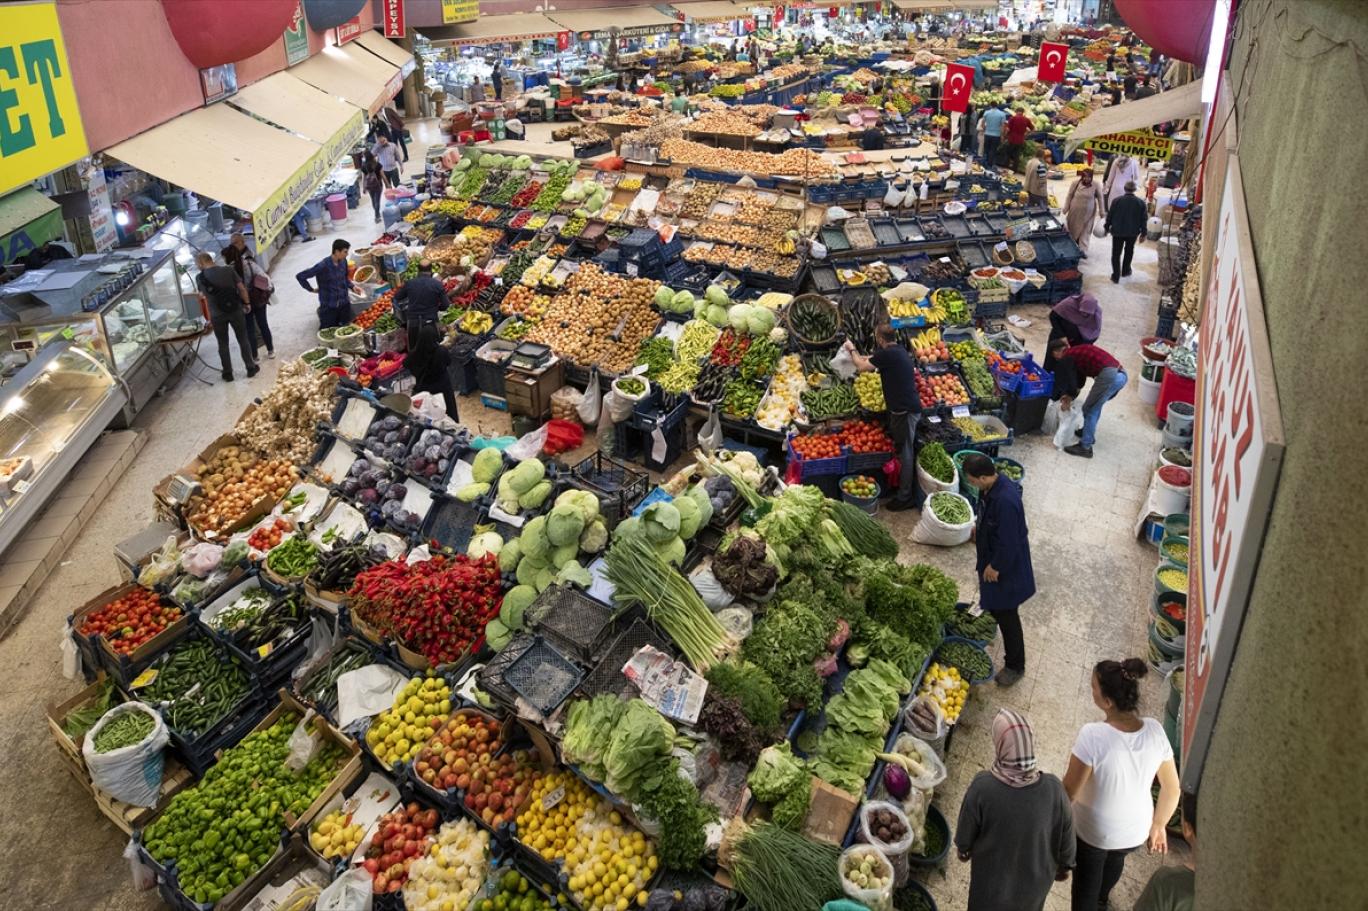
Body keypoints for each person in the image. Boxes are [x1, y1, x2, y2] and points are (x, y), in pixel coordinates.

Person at [1064, 658, 1181, 911]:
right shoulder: (1155, 730)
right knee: (1115, 860)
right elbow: (1172, 789)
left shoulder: (1092, 736)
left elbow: (1069, 792)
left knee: (1086, 880)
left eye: (1093, 686)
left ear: (1107, 702)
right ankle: (1102, 899)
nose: (1091, 689)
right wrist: (1159, 824)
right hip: (1135, 832)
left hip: (1094, 833)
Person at [956, 709, 1075, 911]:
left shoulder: (984, 787)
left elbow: (965, 835)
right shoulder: (1054, 788)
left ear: (1000, 745)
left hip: (991, 889)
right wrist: (1065, 865)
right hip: (1034, 889)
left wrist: (964, 849)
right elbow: (1067, 836)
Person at [961, 454, 1034, 685]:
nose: (971, 484)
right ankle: (992, 616)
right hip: (993, 558)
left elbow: (1010, 542)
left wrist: (996, 566)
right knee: (996, 603)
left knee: (1008, 613)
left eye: (973, 480)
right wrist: (977, 528)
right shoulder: (989, 489)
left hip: (1007, 567)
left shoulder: (1006, 501)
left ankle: (1015, 665)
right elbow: (987, 516)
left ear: (983, 477)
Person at [845, 325, 922, 511]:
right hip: (906, 407)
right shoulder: (898, 351)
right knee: (903, 449)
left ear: (880, 339)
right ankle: (901, 488)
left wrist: (851, 349)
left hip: (904, 411)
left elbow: (863, 367)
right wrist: (858, 356)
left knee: (905, 452)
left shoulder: (888, 354)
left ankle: (905, 497)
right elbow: (870, 360)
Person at [1049, 338, 1127, 458]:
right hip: (1119, 374)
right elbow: (1079, 379)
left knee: (1090, 409)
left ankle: (1085, 447)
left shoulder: (1067, 356)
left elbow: (1071, 380)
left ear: (1058, 351)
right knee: (1095, 406)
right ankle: (1088, 434)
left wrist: (1068, 397)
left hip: (1110, 376)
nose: (1057, 360)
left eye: (1055, 356)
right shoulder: (1076, 352)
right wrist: (1072, 393)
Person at [194, 252, 258, 382]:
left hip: (217, 315)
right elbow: (242, 288)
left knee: (222, 343)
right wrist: (247, 303)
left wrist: (207, 318)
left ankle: (228, 373)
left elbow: (202, 296)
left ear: (201, 263)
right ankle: (250, 368)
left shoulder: (200, 278)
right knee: (243, 339)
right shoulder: (228, 270)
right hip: (235, 310)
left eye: (197, 264)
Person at [1134, 790, 1196, 911]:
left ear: (1187, 827)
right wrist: (1158, 824)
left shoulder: (1168, 883)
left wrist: (1158, 824)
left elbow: (1173, 790)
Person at [222, 233, 275, 360]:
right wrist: (269, 290)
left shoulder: (229, 271)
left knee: (249, 329)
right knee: (263, 324)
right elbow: (265, 278)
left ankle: (255, 356)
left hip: (244, 303)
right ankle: (271, 351)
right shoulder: (249, 263)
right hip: (258, 299)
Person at [296, 239, 359, 330]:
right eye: (345, 252)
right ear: (337, 251)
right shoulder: (323, 265)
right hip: (329, 306)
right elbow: (301, 276)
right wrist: (311, 289)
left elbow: (345, 278)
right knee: (327, 330)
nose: (347, 254)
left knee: (345, 328)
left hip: (344, 303)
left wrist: (353, 287)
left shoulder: (343, 262)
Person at [406, 323, 459, 422]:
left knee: (429, 415)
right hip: (443, 388)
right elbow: (448, 362)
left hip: (424, 389)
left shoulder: (414, 354)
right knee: (449, 413)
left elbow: (407, 364)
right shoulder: (441, 351)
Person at [1104, 180, 1148, 283]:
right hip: (1132, 233)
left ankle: (1115, 276)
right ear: (1134, 190)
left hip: (1117, 232)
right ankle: (1125, 271)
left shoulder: (1116, 201)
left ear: (1124, 189)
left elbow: (1109, 216)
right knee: (1129, 251)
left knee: (1116, 254)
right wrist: (1143, 233)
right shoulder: (1141, 203)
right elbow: (1144, 219)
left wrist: (1106, 228)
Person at [395, 261, 449, 343]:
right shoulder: (437, 284)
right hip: (430, 322)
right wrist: (436, 308)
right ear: (431, 270)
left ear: (418, 270)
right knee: (432, 347)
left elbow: (397, 297)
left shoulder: (410, 283)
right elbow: (445, 305)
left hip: (413, 322)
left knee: (414, 348)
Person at [1045, 293, 1102, 370]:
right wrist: (1062, 336)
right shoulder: (1068, 304)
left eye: (1087, 313)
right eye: (1082, 311)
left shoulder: (1096, 314)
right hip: (1059, 338)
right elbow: (1053, 316)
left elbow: (1094, 333)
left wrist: (1079, 348)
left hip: (1077, 343)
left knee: (1072, 367)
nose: (1084, 315)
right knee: (1052, 363)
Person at [1063, 168, 1105, 256]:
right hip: (1075, 212)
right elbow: (1069, 195)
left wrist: (1102, 212)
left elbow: (1100, 198)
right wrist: (1066, 207)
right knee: (1073, 229)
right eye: (1085, 177)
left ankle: (1082, 250)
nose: (1087, 179)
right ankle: (1072, 247)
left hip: (1088, 214)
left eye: (1089, 177)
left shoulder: (1096, 184)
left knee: (1085, 231)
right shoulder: (1075, 183)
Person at [979, 101, 1008, 166]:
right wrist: (1002, 135)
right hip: (996, 135)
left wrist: (984, 130)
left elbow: (982, 123)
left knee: (986, 149)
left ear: (990, 105)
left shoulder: (986, 113)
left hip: (987, 134)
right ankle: (989, 164)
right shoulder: (1002, 114)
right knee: (993, 150)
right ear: (997, 105)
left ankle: (984, 163)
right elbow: (1003, 126)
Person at [1004, 106, 1032, 170]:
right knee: (1017, 154)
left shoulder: (1012, 118)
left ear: (1016, 112)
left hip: (1012, 139)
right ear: (1023, 112)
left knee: (1008, 153)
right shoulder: (1026, 119)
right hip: (1020, 140)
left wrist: (1005, 136)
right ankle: (1014, 169)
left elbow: (1008, 129)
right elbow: (1032, 129)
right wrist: (1026, 134)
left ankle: (1006, 166)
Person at [360, 150, 384, 223]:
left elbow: (363, 178)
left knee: (373, 200)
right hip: (378, 185)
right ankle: (377, 216)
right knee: (377, 201)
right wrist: (387, 184)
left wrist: (363, 187)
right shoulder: (377, 164)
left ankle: (377, 214)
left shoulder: (364, 166)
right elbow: (383, 175)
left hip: (369, 186)